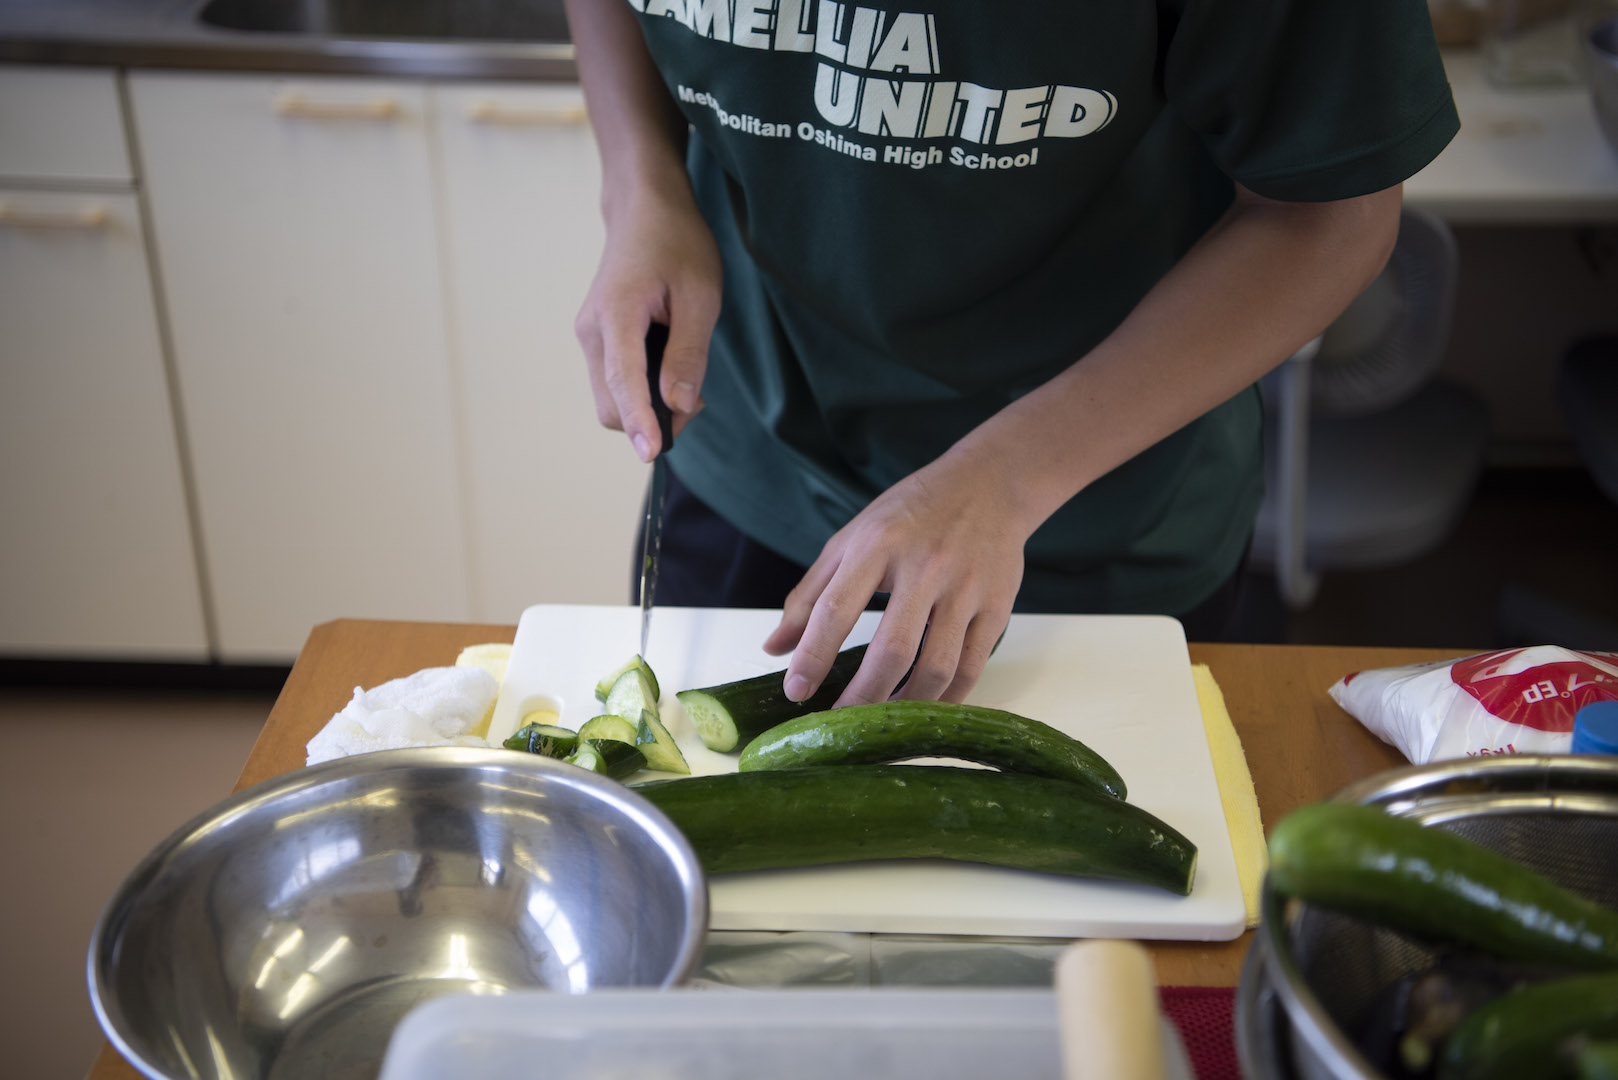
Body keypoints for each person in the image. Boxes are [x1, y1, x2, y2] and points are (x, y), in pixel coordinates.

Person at [562, 0, 1459, 708]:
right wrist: (643, 186)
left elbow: (1333, 216)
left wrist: (1010, 475)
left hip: (1093, 511)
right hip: (748, 451)